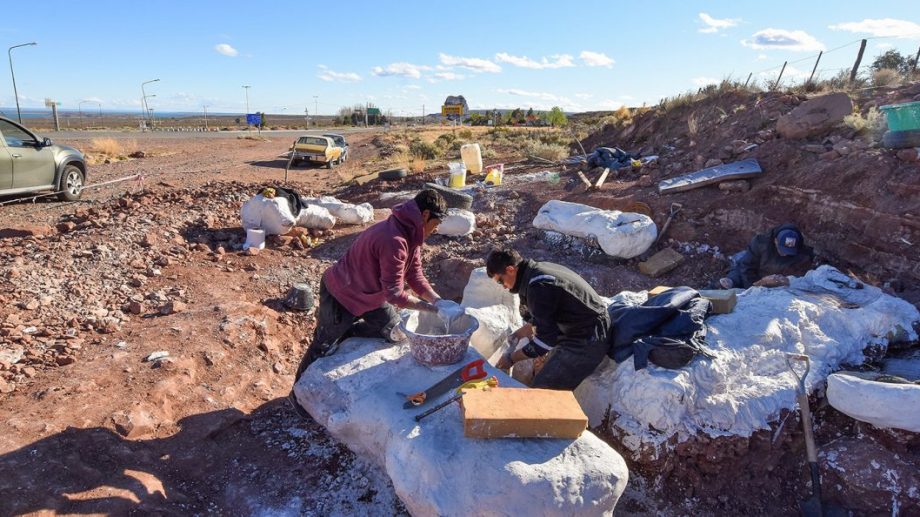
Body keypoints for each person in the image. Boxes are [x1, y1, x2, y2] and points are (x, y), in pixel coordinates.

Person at [292, 189, 460, 388]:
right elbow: (395, 294)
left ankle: (347, 332)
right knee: (323, 346)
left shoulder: (412, 235)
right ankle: (297, 395)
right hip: (342, 294)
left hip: (370, 296)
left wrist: (438, 301)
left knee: (395, 332)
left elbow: (414, 275)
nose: (436, 229)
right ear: (425, 215)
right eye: (436, 223)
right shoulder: (394, 240)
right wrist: (433, 310)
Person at [488, 248, 610, 390]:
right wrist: (520, 334)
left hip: (589, 336)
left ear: (510, 270)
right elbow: (545, 314)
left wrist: (511, 359)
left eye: (500, 281)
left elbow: (546, 340)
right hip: (579, 327)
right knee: (541, 368)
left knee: (543, 390)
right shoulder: (534, 273)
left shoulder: (538, 286)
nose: (503, 286)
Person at [716, 223, 815, 290]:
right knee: (732, 279)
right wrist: (752, 289)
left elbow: (798, 278)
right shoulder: (761, 243)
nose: (785, 254)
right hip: (750, 275)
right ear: (775, 241)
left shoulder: (803, 254)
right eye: (782, 249)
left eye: (789, 251)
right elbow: (746, 267)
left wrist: (781, 281)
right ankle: (723, 285)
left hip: (773, 281)